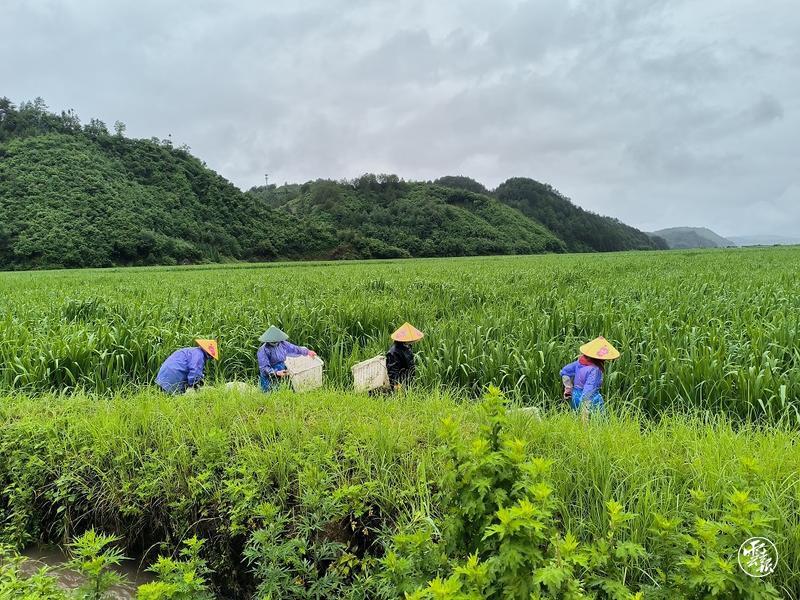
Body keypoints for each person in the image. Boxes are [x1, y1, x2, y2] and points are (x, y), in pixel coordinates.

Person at [560, 336, 620, 416]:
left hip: (575, 396)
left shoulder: (579, 362)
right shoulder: (595, 370)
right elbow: (589, 388)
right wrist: (585, 409)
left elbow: (565, 372)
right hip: (590, 399)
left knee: (576, 420)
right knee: (596, 423)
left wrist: (568, 388)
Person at [257, 325, 317, 392]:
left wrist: (308, 352)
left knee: (286, 392)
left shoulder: (282, 344)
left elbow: (294, 348)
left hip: (282, 371)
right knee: (271, 395)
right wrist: (276, 373)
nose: (275, 342)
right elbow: (264, 368)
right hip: (269, 376)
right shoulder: (263, 350)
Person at [386, 322, 424, 391]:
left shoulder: (407, 347)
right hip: (400, 382)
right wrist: (396, 384)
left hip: (409, 379)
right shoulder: (393, 352)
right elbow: (392, 371)